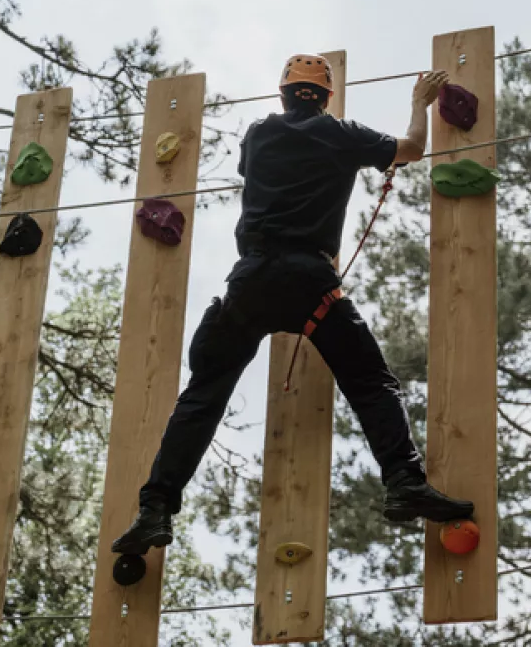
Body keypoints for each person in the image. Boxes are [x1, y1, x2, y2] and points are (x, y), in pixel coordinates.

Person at [112, 54, 474, 556]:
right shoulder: (343, 135)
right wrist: (419, 102)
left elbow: (256, 168)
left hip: (252, 282)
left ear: (282, 95)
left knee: (202, 396)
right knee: (371, 384)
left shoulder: (259, 135)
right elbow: (411, 147)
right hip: (310, 282)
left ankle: (154, 510)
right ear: (326, 97)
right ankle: (402, 483)